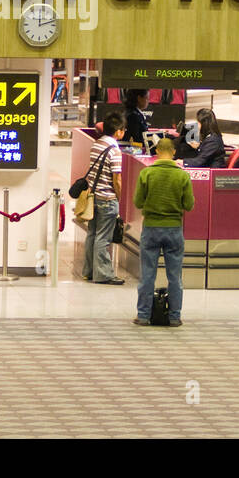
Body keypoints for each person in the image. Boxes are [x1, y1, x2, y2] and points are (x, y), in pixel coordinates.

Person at [132, 137, 195, 327]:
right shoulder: (182, 176)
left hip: (151, 228)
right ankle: (174, 317)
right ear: (174, 152)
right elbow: (189, 205)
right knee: (175, 276)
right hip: (174, 229)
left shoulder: (147, 173)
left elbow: (138, 202)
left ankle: (143, 316)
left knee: (147, 275)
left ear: (157, 151)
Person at [82, 112, 126, 286]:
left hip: (94, 197)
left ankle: (89, 271)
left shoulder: (97, 144)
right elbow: (117, 179)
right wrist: (119, 198)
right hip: (107, 198)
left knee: (92, 234)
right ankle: (103, 274)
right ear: (118, 131)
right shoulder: (115, 150)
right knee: (103, 238)